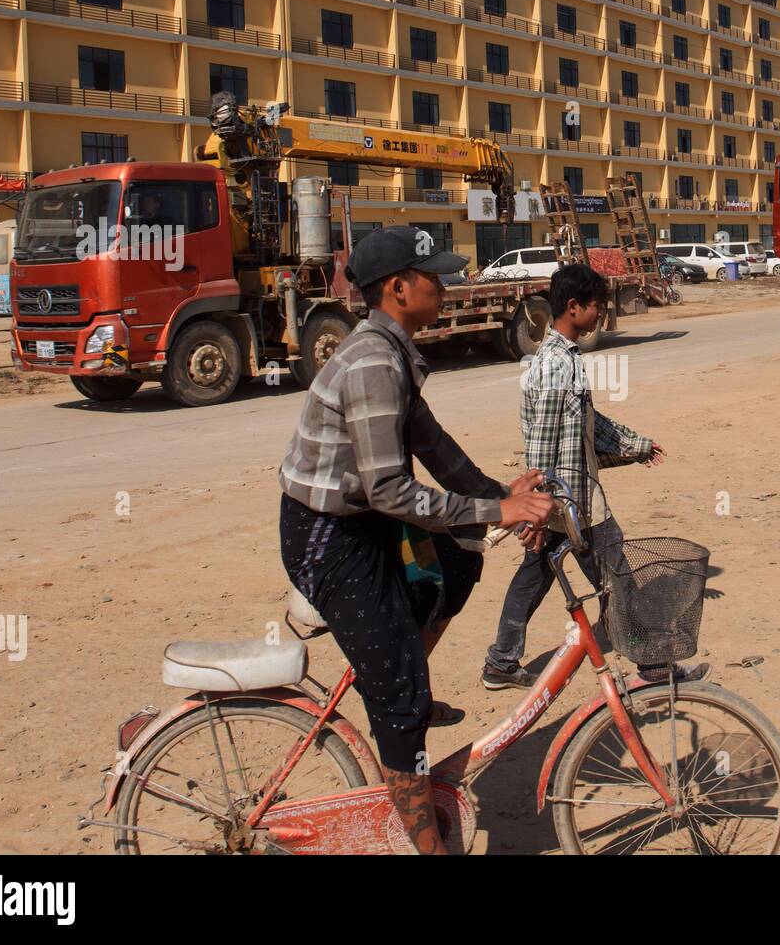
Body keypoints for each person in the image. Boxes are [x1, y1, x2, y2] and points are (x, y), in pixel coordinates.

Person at [278, 225, 553, 855]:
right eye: (436, 278)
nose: (447, 285)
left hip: (360, 517)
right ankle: (425, 838)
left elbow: (434, 446)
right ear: (400, 289)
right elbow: (391, 494)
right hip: (329, 536)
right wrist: (495, 507)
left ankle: (398, 682)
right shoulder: (373, 362)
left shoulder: (390, 350)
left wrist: (498, 496)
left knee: (460, 555)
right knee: (399, 692)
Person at [481, 262, 710, 690]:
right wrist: (537, 510)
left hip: (563, 501)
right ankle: (653, 663)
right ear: (573, 307)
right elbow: (543, 445)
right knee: (618, 576)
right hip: (572, 503)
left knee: (535, 577)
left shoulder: (563, 358)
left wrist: (635, 445)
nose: (601, 314)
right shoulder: (554, 365)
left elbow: (586, 421)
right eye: (597, 306)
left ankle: (501, 661)